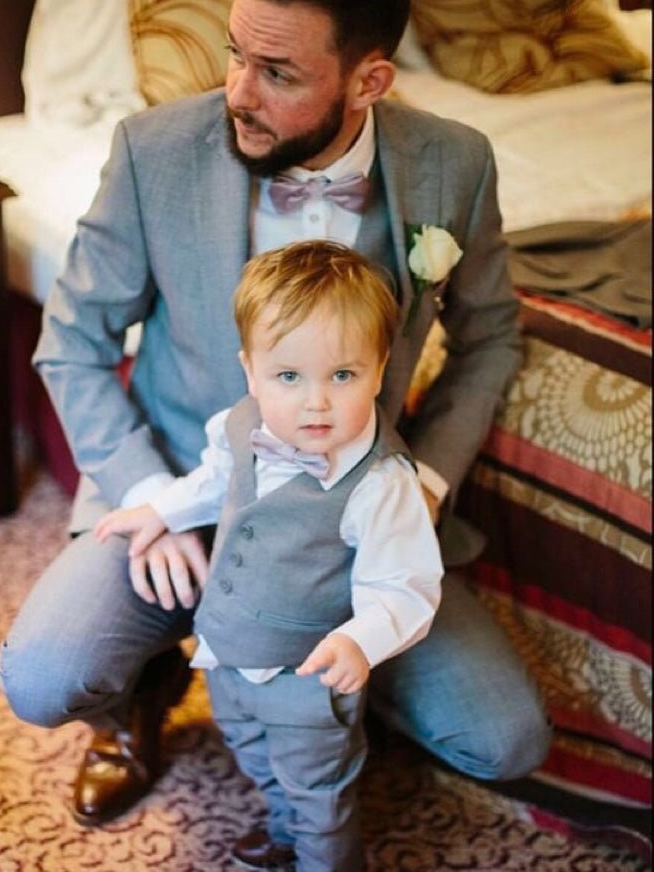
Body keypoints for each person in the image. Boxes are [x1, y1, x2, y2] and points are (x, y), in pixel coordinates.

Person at [0, 0, 552, 859]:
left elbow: (491, 338)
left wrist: (427, 484)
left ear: (369, 80)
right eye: (233, 55)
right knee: (43, 678)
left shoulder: (454, 162)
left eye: (279, 73)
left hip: (356, 521)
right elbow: (73, 345)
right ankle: (142, 696)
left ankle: (328, 710)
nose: (237, 93)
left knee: (503, 739)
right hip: (185, 485)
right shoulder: (153, 150)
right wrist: (152, 502)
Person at [94, 241, 444, 871]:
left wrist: (361, 641)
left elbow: (405, 583)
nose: (315, 402)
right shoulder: (240, 422)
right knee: (250, 750)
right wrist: (160, 510)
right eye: (289, 377)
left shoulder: (381, 480)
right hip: (226, 652)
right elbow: (210, 482)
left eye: (343, 375)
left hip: (306, 677)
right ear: (250, 371)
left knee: (320, 797)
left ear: (381, 366)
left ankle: (316, 850)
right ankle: (283, 828)